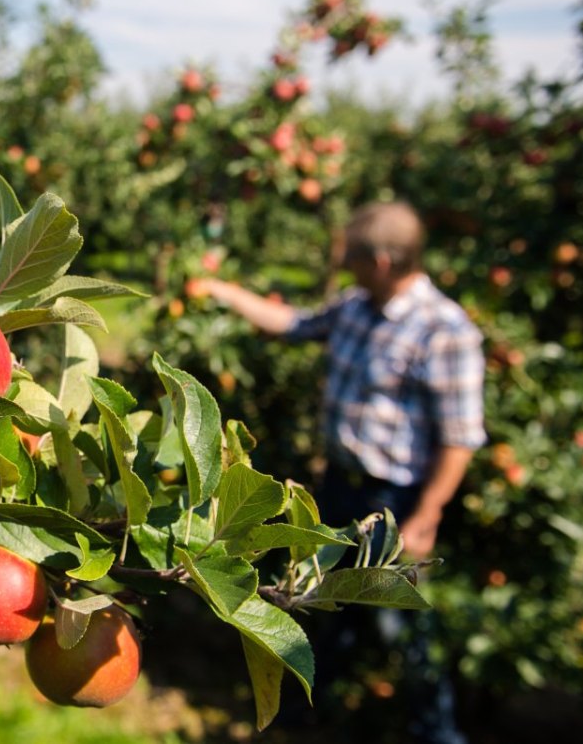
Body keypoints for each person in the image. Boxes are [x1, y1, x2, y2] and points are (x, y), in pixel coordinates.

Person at [192, 200, 486, 744]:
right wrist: (227, 293)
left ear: (380, 260)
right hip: (341, 488)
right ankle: (308, 709)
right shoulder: (356, 306)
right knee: (326, 598)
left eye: (350, 256)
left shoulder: (444, 330)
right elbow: (297, 324)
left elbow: (460, 438)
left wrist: (427, 514)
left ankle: (438, 732)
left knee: (402, 619)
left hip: (395, 499)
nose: (343, 264)